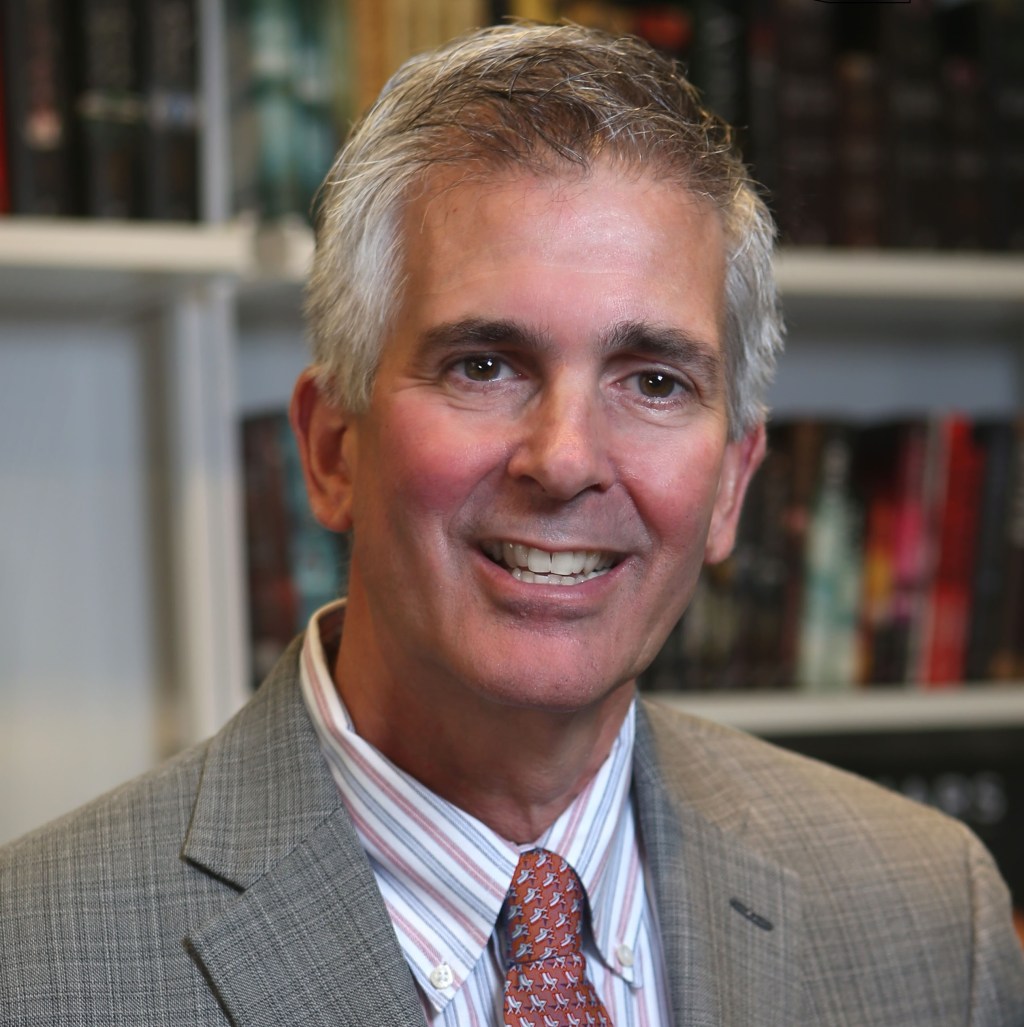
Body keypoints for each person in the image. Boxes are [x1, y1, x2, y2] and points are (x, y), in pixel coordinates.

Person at [1, 22, 1022, 1027]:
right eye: (483, 366)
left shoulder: (934, 915)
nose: (565, 459)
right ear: (331, 450)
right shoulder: (34, 966)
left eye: (654, 382)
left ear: (729, 486)